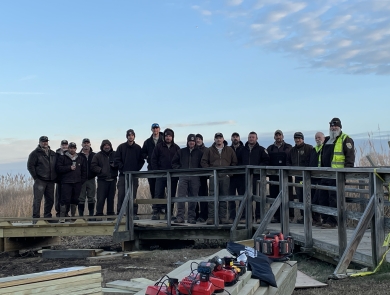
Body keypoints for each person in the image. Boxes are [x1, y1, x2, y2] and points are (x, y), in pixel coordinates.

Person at [319, 118, 355, 228]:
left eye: (336, 126)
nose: (333, 127)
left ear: (340, 127)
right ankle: (325, 219)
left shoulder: (346, 139)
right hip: (325, 174)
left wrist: (345, 173)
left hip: (337, 175)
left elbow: (350, 158)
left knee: (334, 199)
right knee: (323, 198)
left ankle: (332, 221)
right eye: (331, 126)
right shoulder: (327, 140)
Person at [201, 132, 237, 225]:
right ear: (214, 139)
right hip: (214, 176)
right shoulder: (209, 150)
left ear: (223, 139)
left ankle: (223, 217)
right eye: (217, 138)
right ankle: (211, 217)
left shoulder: (229, 150)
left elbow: (234, 162)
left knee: (224, 197)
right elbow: (203, 162)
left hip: (225, 177)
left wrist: (229, 174)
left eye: (220, 138)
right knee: (212, 197)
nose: (218, 139)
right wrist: (210, 173)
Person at [236, 132, 270, 223]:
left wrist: (257, 169)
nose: (251, 139)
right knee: (245, 197)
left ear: (256, 138)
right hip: (245, 177)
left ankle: (258, 217)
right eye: (250, 137)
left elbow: (266, 160)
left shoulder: (261, 150)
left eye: (253, 137)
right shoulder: (242, 150)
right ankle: (246, 217)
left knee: (258, 197)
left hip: (257, 178)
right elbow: (237, 161)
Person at [172, 134, 203, 224]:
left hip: (195, 178)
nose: (191, 143)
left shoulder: (199, 153)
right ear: (187, 142)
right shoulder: (181, 151)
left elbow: (203, 164)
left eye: (193, 141)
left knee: (193, 198)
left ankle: (191, 217)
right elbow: (174, 162)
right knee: (181, 197)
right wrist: (180, 170)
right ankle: (180, 216)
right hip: (183, 176)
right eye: (190, 141)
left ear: (195, 142)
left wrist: (199, 173)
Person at [151, 128, 180, 220]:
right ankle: (156, 212)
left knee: (171, 194)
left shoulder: (177, 148)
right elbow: (153, 159)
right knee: (158, 193)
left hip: (173, 175)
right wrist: (157, 171)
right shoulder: (159, 147)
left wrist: (177, 171)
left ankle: (169, 213)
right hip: (161, 174)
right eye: (166, 136)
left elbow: (180, 161)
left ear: (172, 137)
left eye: (170, 136)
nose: (168, 137)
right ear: (164, 137)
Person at [115, 129, 144, 220]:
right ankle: (120, 214)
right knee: (121, 195)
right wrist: (122, 168)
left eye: (132, 135)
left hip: (134, 175)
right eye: (129, 135)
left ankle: (133, 213)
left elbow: (141, 160)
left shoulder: (138, 148)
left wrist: (136, 169)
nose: (130, 136)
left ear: (134, 136)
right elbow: (116, 160)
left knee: (133, 195)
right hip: (123, 175)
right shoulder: (121, 147)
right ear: (127, 136)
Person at [27, 136, 57, 221]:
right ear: (39, 142)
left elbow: (56, 166)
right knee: (37, 200)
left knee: (50, 200)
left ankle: (47, 217)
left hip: (51, 180)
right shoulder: (35, 153)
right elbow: (30, 166)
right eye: (43, 141)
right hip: (40, 180)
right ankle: (36, 218)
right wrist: (35, 177)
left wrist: (55, 177)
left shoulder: (52, 153)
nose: (45, 143)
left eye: (46, 141)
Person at [56, 142, 87, 223]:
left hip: (77, 183)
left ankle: (73, 216)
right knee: (64, 200)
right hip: (66, 182)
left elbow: (84, 171)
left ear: (76, 149)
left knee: (75, 200)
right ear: (68, 148)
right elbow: (58, 168)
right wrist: (69, 168)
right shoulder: (62, 157)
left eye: (73, 148)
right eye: (70, 148)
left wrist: (81, 181)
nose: (72, 149)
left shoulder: (80, 158)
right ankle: (62, 217)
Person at [286, 132, 313, 223]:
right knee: (300, 196)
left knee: (309, 196)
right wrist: (291, 170)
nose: (298, 140)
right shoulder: (292, 150)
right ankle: (303, 217)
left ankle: (313, 218)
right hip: (297, 177)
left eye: (299, 138)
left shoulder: (309, 148)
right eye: (296, 138)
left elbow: (312, 161)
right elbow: (288, 161)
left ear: (303, 139)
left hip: (308, 177)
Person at [267, 130, 293, 223]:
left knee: (287, 195)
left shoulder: (289, 147)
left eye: (280, 135)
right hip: (274, 176)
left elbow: (291, 160)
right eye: (276, 135)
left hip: (286, 175)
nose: (278, 137)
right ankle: (276, 216)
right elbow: (267, 161)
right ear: (274, 137)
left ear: (283, 136)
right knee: (274, 195)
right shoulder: (270, 148)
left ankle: (289, 216)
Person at [91, 140, 119, 217]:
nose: (106, 147)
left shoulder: (115, 154)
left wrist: (115, 165)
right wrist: (101, 170)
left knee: (111, 198)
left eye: (108, 145)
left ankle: (110, 214)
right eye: (105, 145)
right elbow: (93, 166)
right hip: (102, 180)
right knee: (101, 198)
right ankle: (99, 213)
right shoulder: (98, 155)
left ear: (110, 146)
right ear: (102, 146)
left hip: (113, 179)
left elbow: (119, 162)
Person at [141, 123, 164, 199]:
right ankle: (155, 208)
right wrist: (147, 157)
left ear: (159, 129)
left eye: (156, 128)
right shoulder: (147, 142)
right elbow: (142, 152)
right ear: (151, 130)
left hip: (162, 167)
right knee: (152, 187)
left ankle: (163, 208)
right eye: (153, 128)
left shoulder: (163, 140)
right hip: (151, 167)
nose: (155, 129)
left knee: (162, 188)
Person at [308, 132, 325, 226]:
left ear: (323, 138)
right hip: (314, 177)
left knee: (320, 199)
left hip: (323, 177)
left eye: (319, 137)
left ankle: (323, 219)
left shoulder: (325, 148)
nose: (317, 139)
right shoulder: (314, 150)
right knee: (313, 199)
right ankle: (316, 219)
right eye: (316, 137)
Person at [78, 138, 97, 218]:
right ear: (82, 144)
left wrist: (95, 173)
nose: (86, 144)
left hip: (91, 179)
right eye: (84, 143)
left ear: (90, 144)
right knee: (81, 198)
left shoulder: (94, 155)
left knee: (91, 198)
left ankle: (91, 216)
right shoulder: (78, 155)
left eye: (87, 143)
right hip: (81, 180)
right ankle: (81, 216)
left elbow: (98, 166)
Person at [228, 132, 244, 223]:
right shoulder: (228, 149)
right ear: (231, 139)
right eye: (233, 137)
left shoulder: (244, 149)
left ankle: (242, 217)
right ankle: (232, 216)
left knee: (242, 197)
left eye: (236, 137)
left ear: (239, 138)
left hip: (241, 176)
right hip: (231, 177)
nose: (235, 138)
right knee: (231, 197)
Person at [195, 133, 208, 222]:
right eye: (196, 139)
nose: (198, 140)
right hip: (194, 176)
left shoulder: (206, 150)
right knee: (194, 196)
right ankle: (195, 214)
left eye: (200, 139)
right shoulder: (191, 150)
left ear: (202, 140)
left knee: (203, 196)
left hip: (203, 176)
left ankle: (204, 215)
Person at [54, 139, 68, 217]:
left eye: (66, 145)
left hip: (68, 179)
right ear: (60, 146)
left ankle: (66, 213)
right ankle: (59, 213)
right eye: (63, 145)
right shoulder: (56, 155)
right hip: (59, 179)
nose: (64, 146)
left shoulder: (71, 154)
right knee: (58, 197)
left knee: (66, 196)